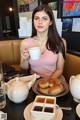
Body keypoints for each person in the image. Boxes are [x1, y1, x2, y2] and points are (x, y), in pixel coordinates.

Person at [20, 5, 66, 80]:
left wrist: (49, 82)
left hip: (54, 80)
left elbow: (60, 69)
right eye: (36, 18)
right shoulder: (24, 43)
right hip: (34, 82)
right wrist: (25, 59)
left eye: (44, 19)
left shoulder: (60, 42)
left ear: (50, 22)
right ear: (33, 21)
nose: (40, 22)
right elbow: (23, 69)